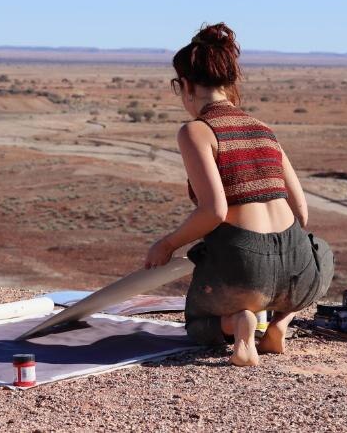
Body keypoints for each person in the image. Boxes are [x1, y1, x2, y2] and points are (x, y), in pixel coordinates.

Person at [143, 22, 335, 366]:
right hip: (298, 269)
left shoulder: (197, 131)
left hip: (245, 267)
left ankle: (238, 324)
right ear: (230, 84)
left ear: (184, 85)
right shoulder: (264, 129)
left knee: (197, 324)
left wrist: (168, 244)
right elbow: (301, 214)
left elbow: (214, 211)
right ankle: (280, 322)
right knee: (322, 252)